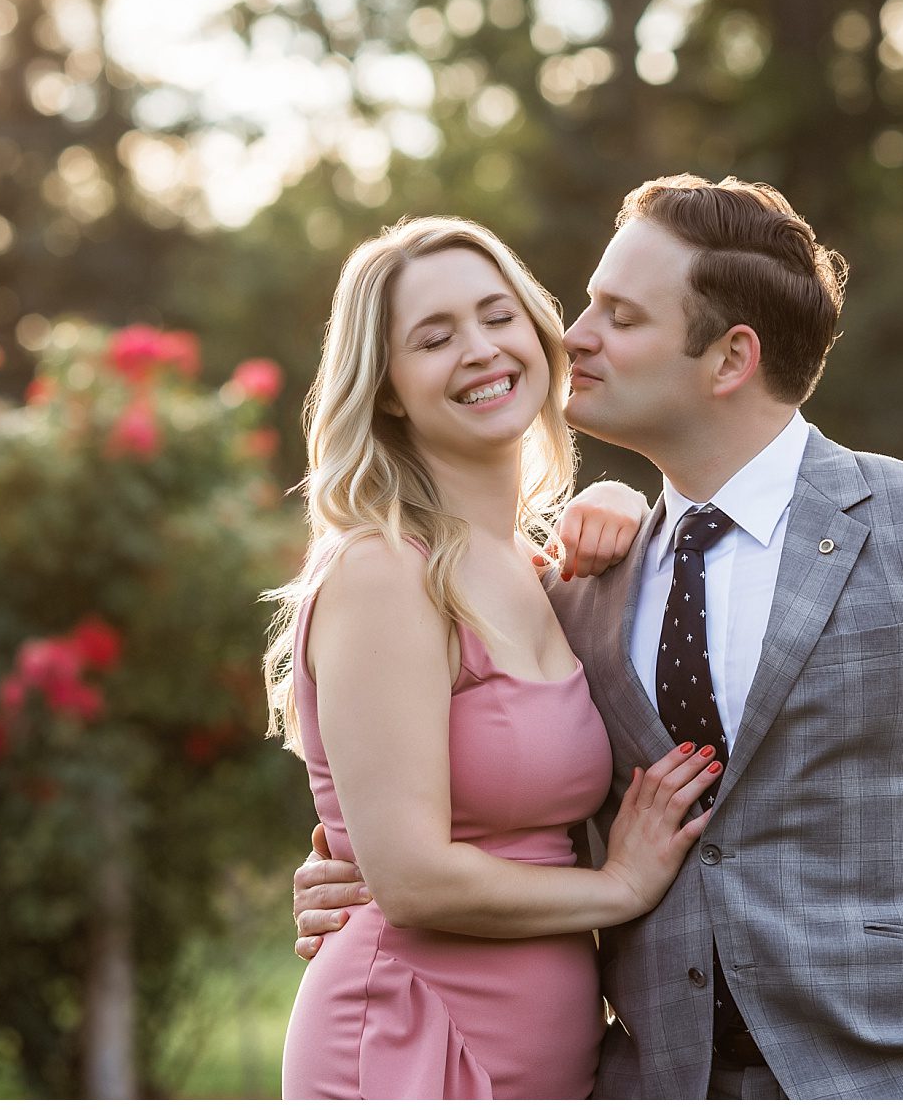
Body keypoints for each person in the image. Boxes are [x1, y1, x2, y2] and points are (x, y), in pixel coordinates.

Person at [293, 176, 903, 1099]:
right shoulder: (585, 588)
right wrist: (355, 875)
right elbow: (485, 803)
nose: (573, 335)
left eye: (619, 316)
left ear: (729, 359)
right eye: (583, 303)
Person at [263, 214, 724, 1099]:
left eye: (496, 314)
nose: (479, 349)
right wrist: (619, 888)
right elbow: (411, 879)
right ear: (389, 388)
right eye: (434, 338)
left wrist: (630, 507)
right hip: (410, 1034)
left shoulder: (539, 570)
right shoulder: (383, 569)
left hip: (542, 1053)